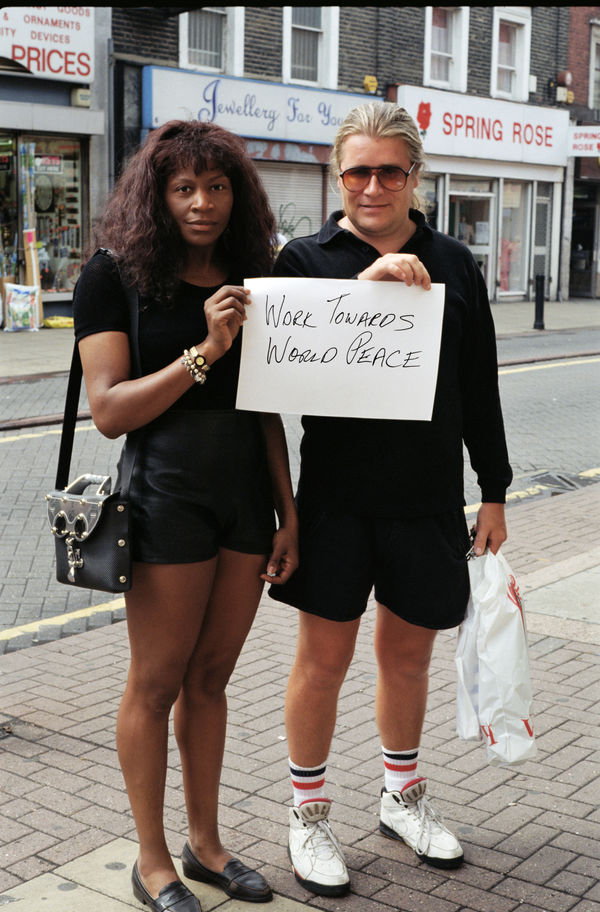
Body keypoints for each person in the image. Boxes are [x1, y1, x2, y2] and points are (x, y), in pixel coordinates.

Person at [268, 101, 512, 897]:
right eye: (356, 171)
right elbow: (273, 380)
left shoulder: (457, 262)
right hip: (336, 503)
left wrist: (496, 491)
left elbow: (480, 389)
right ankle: (307, 814)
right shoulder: (305, 259)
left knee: (407, 661)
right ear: (338, 177)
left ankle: (402, 798)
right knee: (323, 662)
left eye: (388, 171)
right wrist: (366, 288)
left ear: (415, 176)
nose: (371, 186)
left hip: (427, 501)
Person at [73, 120, 298, 912]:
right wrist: (204, 350)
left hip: (244, 498)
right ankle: (152, 860)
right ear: (157, 195)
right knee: (157, 682)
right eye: (183, 187)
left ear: (238, 194)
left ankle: (207, 844)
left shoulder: (254, 274)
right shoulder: (114, 278)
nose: (202, 202)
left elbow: (266, 408)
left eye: (217, 185)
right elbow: (109, 411)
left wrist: (287, 511)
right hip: (165, 496)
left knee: (212, 679)